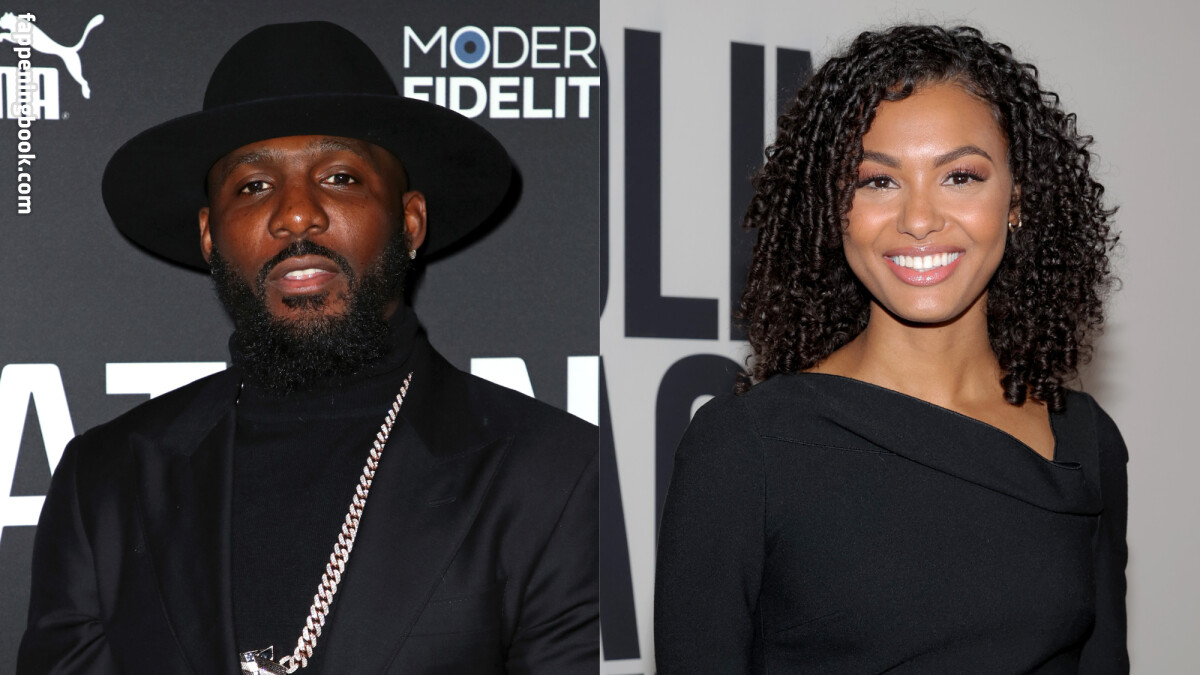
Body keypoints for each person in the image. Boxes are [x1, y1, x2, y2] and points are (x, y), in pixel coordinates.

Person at [18, 21, 598, 674]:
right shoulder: (105, 482)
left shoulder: (553, 475)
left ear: (410, 222)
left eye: (341, 177)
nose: (297, 214)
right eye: (253, 186)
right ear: (209, 235)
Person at [655, 25, 1125, 674]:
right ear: (834, 208)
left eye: (960, 176)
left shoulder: (1084, 439)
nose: (919, 219)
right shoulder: (745, 446)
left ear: (1017, 201)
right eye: (878, 182)